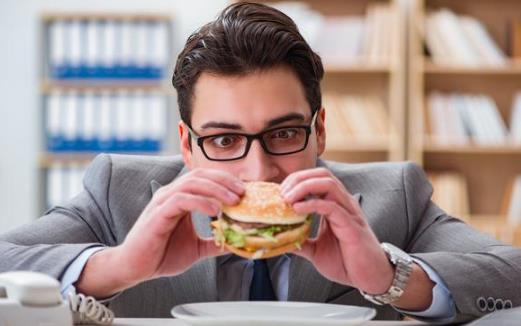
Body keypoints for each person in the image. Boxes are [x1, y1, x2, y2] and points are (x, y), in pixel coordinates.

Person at [1, 2, 520, 322]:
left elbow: (511, 274)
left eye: (285, 133)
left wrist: (389, 276)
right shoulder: (119, 192)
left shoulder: (394, 195)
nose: (259, 172)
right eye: (224, 141)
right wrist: (117, 267)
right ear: (186, 144)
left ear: (319, 130)